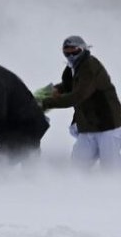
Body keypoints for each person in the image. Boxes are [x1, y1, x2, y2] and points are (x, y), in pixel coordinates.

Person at [39, 36, 121, 169]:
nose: (70, 55)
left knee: (111, 171)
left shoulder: (89, 66)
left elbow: (78, 95)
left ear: (83, 49)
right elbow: (68, 85)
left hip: (108, 127)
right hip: (88, 127)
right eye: (67, 51)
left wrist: (46, 103)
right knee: (78, 169)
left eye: (74, 51)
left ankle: (113, 190)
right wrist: (48, 92)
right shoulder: (73, 67)